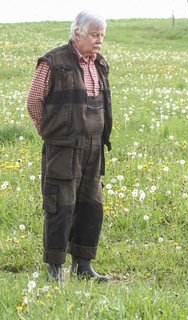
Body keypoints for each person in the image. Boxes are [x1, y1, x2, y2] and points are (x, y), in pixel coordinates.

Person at [27, 11, 112, 282]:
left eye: (102, 35)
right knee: (60, 206)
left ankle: (83, 266)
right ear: (77, 33)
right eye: (94, 35)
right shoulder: (52, 62)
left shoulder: (100, 64)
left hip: (94, 147)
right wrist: (50, 133)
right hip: (63, 148)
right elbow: (34, 101)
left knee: (91, 205)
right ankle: (54, 269)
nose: (99, 40)